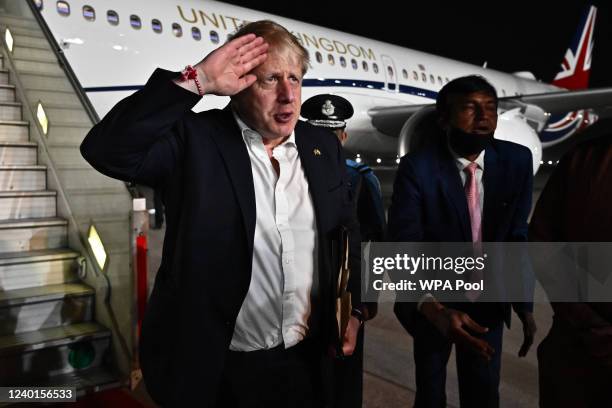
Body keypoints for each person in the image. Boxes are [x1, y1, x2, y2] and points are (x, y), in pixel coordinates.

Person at [80, 20, 363, 407]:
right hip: (218, 370)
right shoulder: (195, 139)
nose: (287, 96)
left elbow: (347, 231)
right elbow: (106, 150)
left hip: (308, 362)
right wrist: (198, 81)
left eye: (294, 79)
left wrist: (356, 310)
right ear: (240, 81)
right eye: (270, 80)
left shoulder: (321, 147)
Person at [387, 75, 537, 408]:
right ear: (443, 119)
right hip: (434, 302)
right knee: (430, 394)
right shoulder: (419, 166)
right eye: (470, 108)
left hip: (487, 303)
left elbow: (516, 236)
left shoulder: (517, 162)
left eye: (491, 108)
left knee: (483, 396)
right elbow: (404, 241)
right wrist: (429, 306)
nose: (484, 117)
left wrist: (524, 304)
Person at [302, 94, 385, 408]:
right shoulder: (291, 173)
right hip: (300, 295)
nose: (326, 142)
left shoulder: (360, 179)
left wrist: (366, 301)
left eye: (333, 134)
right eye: (318, 133)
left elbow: (374, 242)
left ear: (344, 136)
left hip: (343, 298)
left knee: (343, 382)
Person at [529, 134, 612, 407]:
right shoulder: (585, 157)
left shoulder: (585, 156)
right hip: (579, 349)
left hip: (579, 344)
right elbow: (544, 244)